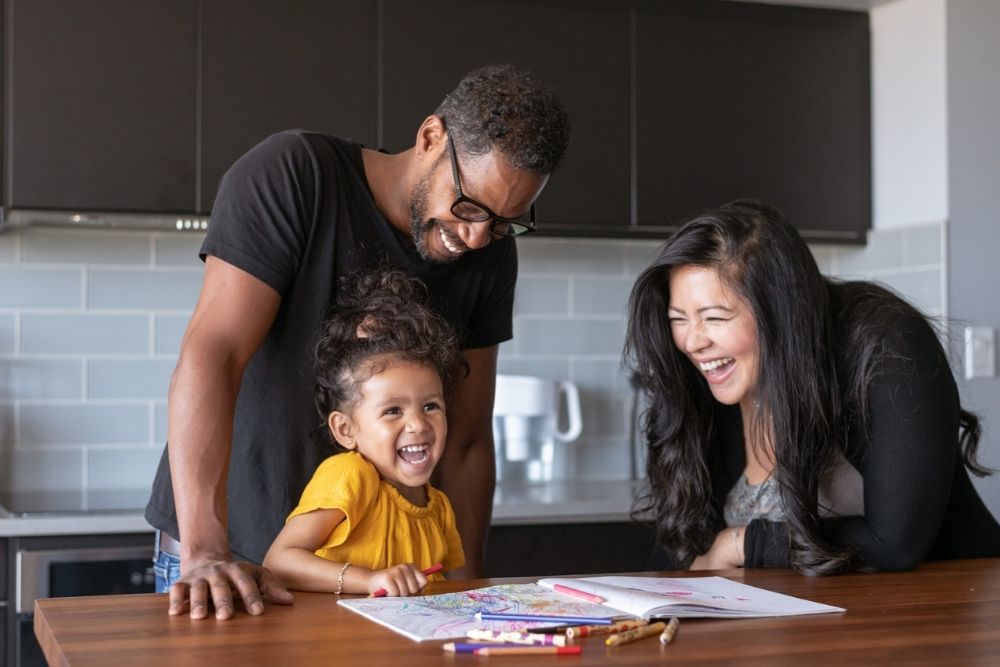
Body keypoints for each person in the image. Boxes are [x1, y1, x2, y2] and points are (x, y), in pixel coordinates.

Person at [145, 63, 570, 619]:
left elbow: (465, 439)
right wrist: (205, 553)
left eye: (505, 222)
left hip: (378, 587)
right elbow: (214, 353)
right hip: (236, 565)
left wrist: (472, 593)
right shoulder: (295, 174)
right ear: (430, 137)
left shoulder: (490, 254)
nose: (475, 237)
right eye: (468, 206)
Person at [624, 199, 1000, 575]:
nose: (692, 342)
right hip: (807, 621)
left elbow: (895, 543)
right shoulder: (701, 380)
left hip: (946, 606)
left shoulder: (887, 346)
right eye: (679, 319)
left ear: (779, 312)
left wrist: (739, 544)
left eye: (715, 317)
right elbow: (678, 544)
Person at [263, 269, 466, 596]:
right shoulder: (351, 476)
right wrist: (371, 580)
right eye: (393, 411)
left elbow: (454, 583)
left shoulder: (439, 506)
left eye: (430, 406)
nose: (418, 424)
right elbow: (279, 562)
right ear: (345, 430)